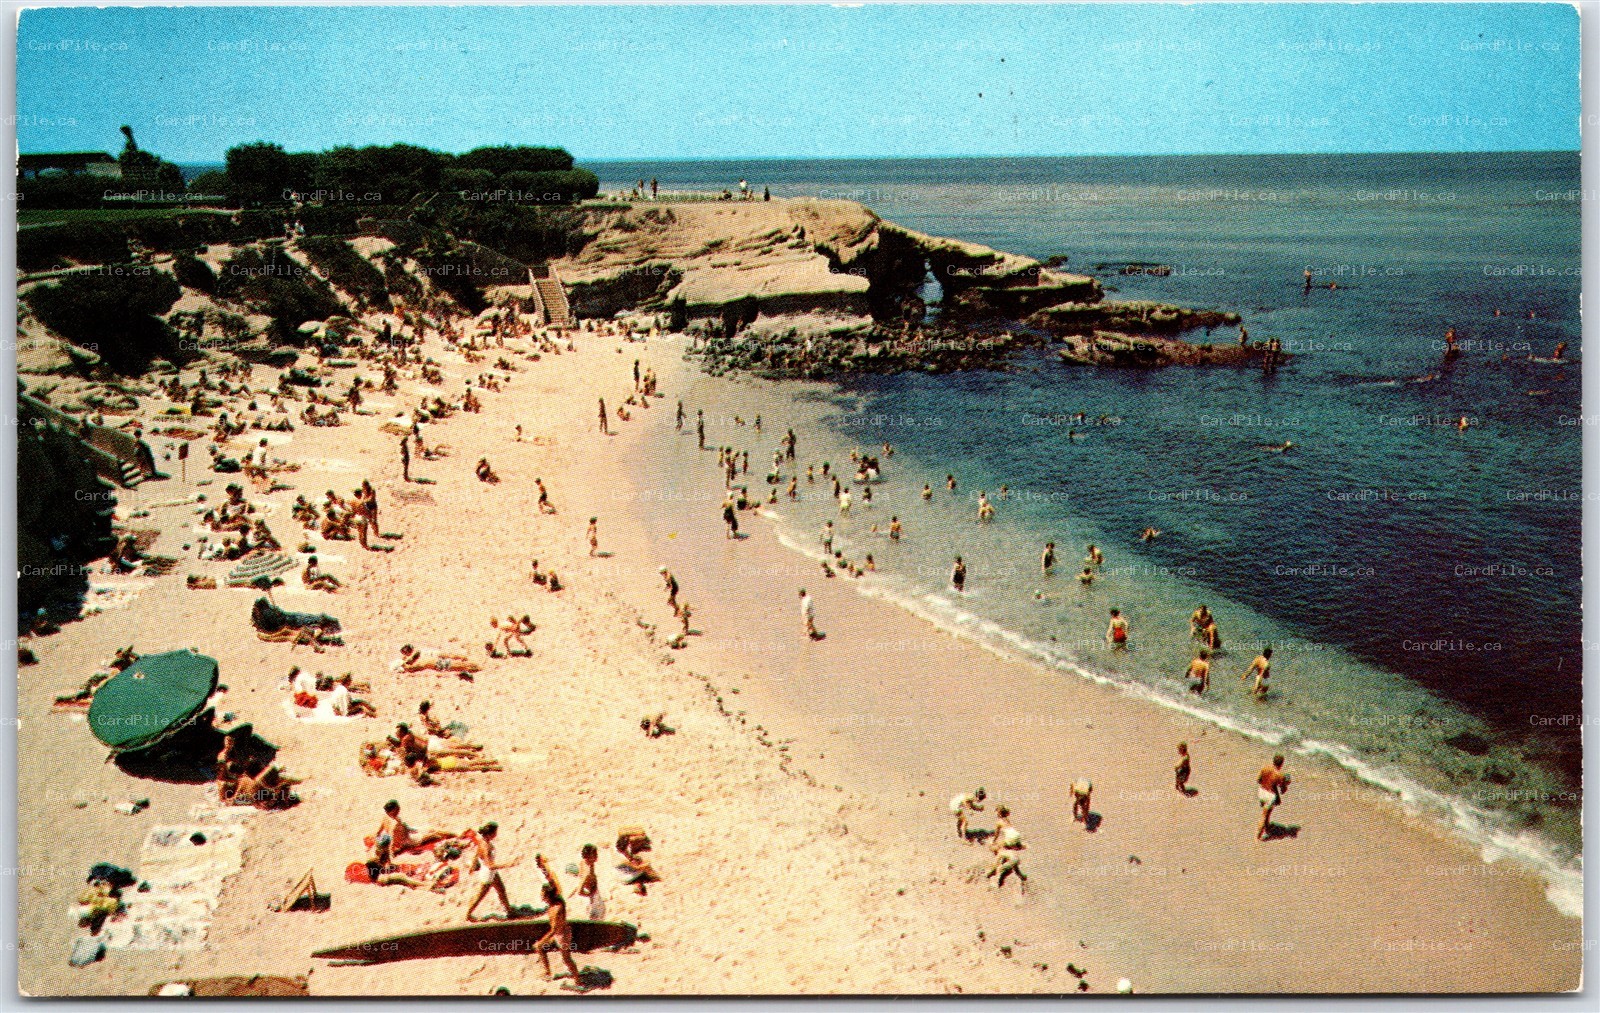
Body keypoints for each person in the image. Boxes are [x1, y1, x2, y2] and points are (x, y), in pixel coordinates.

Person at [532, 854, 583, 982]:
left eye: (543, 894)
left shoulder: (555, 909)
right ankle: (547, 972)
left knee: (566, 959)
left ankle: (578, 980)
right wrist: (544, 865)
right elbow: (553, 881)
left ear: (548, 896)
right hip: (560, 933)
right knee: (541, 949)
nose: (541, 896)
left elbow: (554, 929)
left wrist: (542, 941)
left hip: (562, 936)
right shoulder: (558, 898)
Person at [464, 823, 517, 921]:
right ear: (490, 833)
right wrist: (508, 864)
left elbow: (476, 854)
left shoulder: (483, 842)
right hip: (487, 874)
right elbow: (490, 865)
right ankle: (468, 914)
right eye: (495, 832)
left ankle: (509, 911)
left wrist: (473, 865)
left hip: (491, 872)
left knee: (501, 890)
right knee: (480, 896)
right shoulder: (486, 846)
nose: (496, 834)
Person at [986, 807, 1027, 891]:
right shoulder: (1007, 820)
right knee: (1014, 866)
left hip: (1010, 839)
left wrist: (988, 874)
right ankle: (1022, 876)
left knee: (1000, 869)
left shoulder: (999, 822)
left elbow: (996, 834)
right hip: (1015, 836)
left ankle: (996, 884)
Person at [1257, 755, 1290, 841]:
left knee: (1267, 813)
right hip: (1270, 795)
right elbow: (1283, 790)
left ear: (1273, 761)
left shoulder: (1265, 768)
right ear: (1282, 764)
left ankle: (1267, 828)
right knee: (1264, 816)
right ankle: (1258, 837)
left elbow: (1259, 780)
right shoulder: (1280, 775)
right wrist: (1287, 783)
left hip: (1261, 791)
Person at [399, 644, 483, 675]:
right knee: (453, 660)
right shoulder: (418, 654)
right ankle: (465, 660)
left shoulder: (416, 654)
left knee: (453, 662)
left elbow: (413, 658)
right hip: (434, 655)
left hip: (433, 657)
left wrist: (404, 662)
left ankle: (469, 662)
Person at [576, 844, 604, 920]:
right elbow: (579, 892)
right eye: (594, 855)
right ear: (588, 857)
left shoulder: (585, 862)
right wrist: (589, 895)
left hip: (593, 891)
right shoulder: (587, 873)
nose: (597, 856)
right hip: (590, 897)